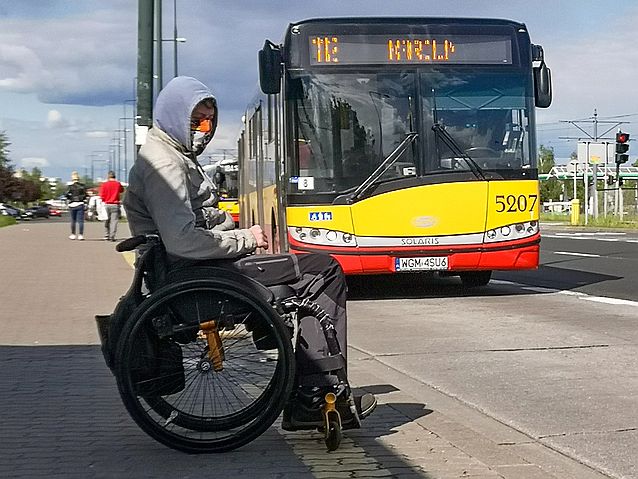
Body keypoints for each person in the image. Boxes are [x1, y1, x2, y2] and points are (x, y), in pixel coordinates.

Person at [123, 76, 376, 430]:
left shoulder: (171, 155)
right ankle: (313, 396)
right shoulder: (165, 164)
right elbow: (183, 240)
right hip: (199, 277)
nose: (205, 130)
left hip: (195, 272)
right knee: (323, 270)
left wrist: (225, 222)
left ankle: (309, 384)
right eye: (196, 121)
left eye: (210, 122)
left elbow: (194, 218)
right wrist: (246, 238)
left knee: (298, 275)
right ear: (174, 116)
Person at [99, 171, 124, 241]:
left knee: (106, 220)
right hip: (115, 204)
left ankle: (106, 235)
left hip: (106, 204)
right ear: (114, 176)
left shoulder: (104, 184)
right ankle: (112, 236)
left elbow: (102, 195)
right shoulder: (118, 184)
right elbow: (122, 190)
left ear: (108, 176)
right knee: (114, 221)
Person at [65, 171, 87, 240]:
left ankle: (73, 234)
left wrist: (70, 198)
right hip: (80, 204)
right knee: (80, 221)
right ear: (78, 178)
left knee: (73, 220)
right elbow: (85, 195)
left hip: (72, 204)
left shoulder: (70, 187)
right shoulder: (82, 186)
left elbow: (66, 195)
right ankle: (80, 235)